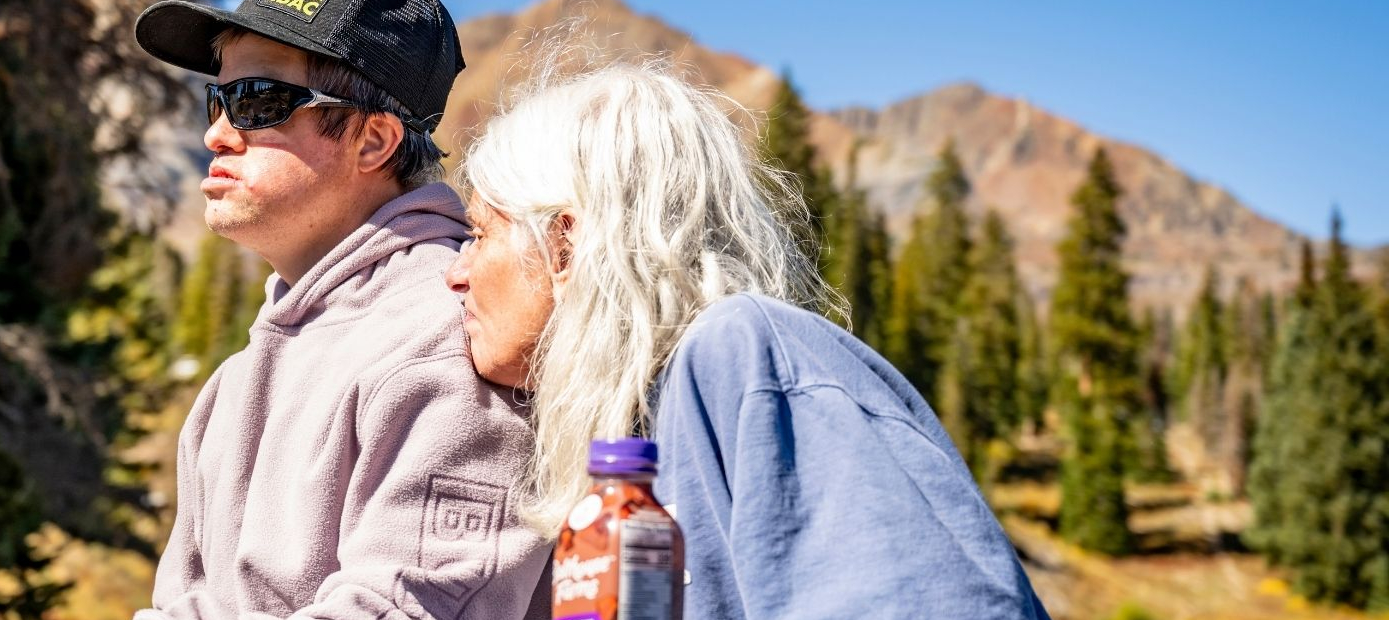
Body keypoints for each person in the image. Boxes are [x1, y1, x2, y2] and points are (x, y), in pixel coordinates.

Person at [444, 61, 1052, 618]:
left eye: (479, 233)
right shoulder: (627, 427)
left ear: (564, 247)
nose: (457, 271)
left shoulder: (740, 357)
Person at [130, 1, 550, 617]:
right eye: (216, 100)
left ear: (373, 140)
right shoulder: (235, 380)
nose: (216, 133)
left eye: (257, 100)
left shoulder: (455, 333)